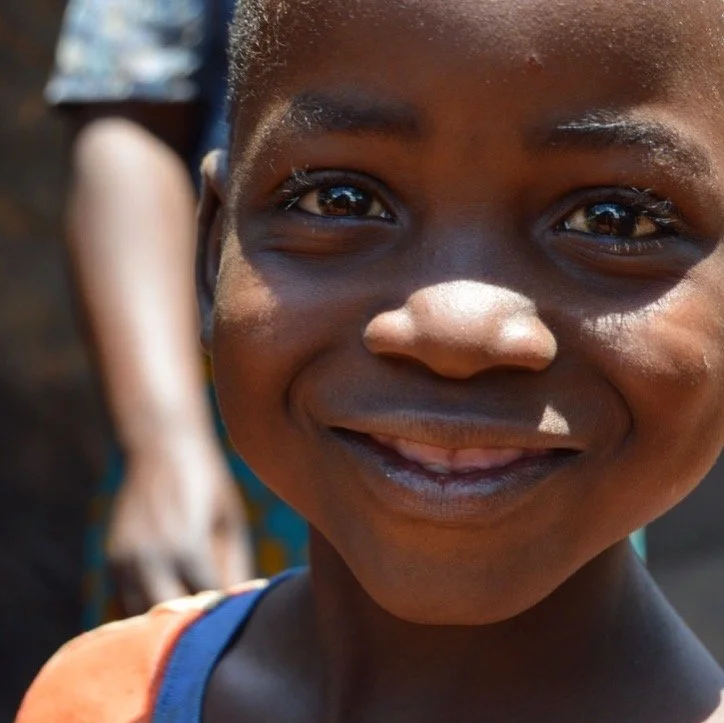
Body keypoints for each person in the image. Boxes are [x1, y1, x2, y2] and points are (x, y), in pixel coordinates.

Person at [18, 0, 724, 719]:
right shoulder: (98, 696)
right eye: (340, 198)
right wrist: (162, 447)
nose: (456, 327)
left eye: (615, 221)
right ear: (210, 257)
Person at [45, 0, 308, 625]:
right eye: (341, 199)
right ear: (215, 226)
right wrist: (163, 444)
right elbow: (130, 114)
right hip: (238, 408)